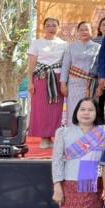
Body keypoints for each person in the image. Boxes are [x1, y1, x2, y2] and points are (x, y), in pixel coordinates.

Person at [28, 17, 68, 149]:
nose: (51, 28)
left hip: (58, 77)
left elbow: (66, 64)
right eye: (48, 25)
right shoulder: (37, 43)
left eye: (54, 25)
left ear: (59, 27)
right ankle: (44, 138)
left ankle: (53, 135)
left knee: (56, 108)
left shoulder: (64, 44)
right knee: (41, 108)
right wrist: (30, 82)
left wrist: (64, 82)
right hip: (41, 76)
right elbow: (32, 63)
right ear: (44, 27)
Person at [60, 21, 101, 126]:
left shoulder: (98, 47)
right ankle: (73, 137)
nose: (84, 32)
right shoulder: (70, 47)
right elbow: (65, 66)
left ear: (91, 31)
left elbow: (100, 66)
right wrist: (63, 83)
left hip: (91, 85)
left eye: (87, 29)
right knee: (74, 109)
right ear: (78, 32)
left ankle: (89, 138)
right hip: (74, 84)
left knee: (90, 110)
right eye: (81, 29)